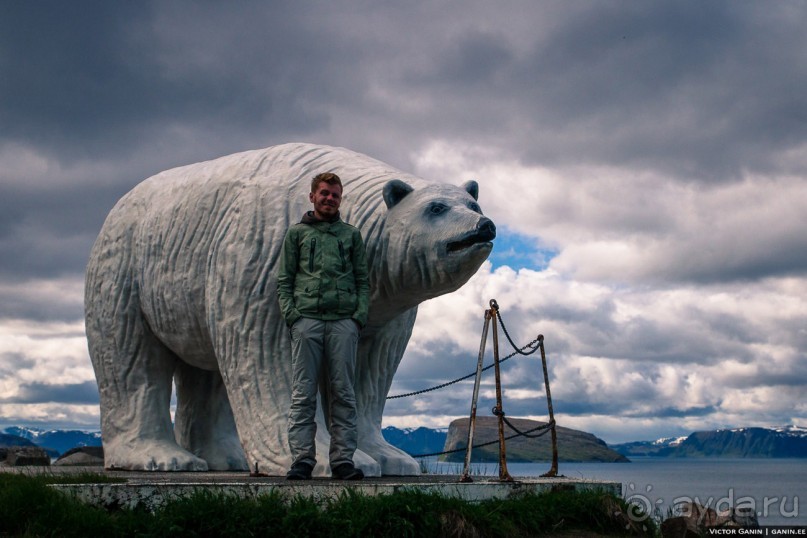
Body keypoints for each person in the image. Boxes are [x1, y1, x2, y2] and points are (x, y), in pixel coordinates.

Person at [277, 172, 370, 480]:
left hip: (343, 322)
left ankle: (343, 461)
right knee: (303, 394)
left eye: (335, 195)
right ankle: (303, 460)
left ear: (340, 200)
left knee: (343, 393)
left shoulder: (351, 235)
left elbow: (362, 280)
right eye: (325, 193)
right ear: (312, 196)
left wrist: (357, 318)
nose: (330, 198)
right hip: (307, 323)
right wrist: (293, 318)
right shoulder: (297, 234)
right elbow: (284, 280)